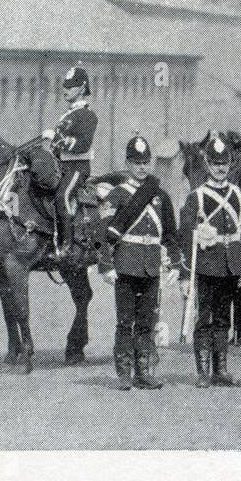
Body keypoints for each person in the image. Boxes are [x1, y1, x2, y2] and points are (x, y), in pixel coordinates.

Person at [97, 135, 181, 390]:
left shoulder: (161, 196)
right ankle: (124, 373)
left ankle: (143, 372)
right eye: (136, 162)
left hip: (151, 265)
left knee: (146, 321)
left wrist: (175, 263)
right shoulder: (117, 195)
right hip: (125, 264)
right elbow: (103, 234)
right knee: (125, 321)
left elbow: (169, 235)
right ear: (127, 163)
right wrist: (106, 265)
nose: (142, 167)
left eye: (145, 162)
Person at [178, 135, 241, 388]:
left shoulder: (239, 195)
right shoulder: (197, 197)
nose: (220, 168)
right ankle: (203, 373)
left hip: (231, 265)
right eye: (215, 163)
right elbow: (185, 241)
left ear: (230, 163)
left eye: (224, 163)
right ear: (207, 165)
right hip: (205, 266)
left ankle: (220, 371)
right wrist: (184, 276)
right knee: (205, 318)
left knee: (224, 318)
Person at [45, 65, 98, 255]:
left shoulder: (88, 116)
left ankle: (67, 244)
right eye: (65, 86)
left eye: (71, 86)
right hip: (61, 166)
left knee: (63, 196)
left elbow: (82, 145)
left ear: (82, 88)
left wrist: (57, 139)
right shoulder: (68, 115)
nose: (65, 90)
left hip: (77, 168)